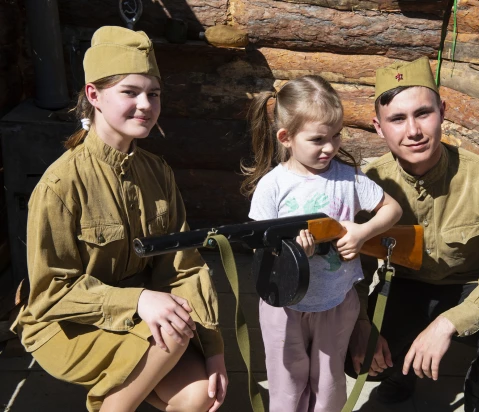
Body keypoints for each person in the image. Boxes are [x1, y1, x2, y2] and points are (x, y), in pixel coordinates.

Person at [11, 26, 227, 412]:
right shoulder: (60, 185)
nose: (145, 104)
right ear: (93, 95)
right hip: (68, 324)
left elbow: (183, 264)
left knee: (199, 396)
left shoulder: (158, 172)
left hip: (143, 317)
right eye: (130, 92)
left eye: (154, 94)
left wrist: (214, 351)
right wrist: (139, 300)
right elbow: (51, 294)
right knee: (173, 334)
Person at [347, 57, 479, 412]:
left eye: (423, 113)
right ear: (379, 128)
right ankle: (400, 374)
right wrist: (361, 321)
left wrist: (449, 322)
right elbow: (352, 272)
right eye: (397, 119)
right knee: (354, 351)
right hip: (407, 288)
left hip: (475, 287)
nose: (414, 131)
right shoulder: (368, 183)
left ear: (442, 111)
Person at [241, 75, 402, 412]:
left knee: (329, 387)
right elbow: (261, 249)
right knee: (287, 388)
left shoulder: (348, 179)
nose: (330, 147)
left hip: (336, 301)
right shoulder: (272, 187)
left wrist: (361, 233)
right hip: (284, 307)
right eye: (318, 139)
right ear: (286, 138)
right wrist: (290, 251)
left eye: (336, 135)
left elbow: (392, 209)